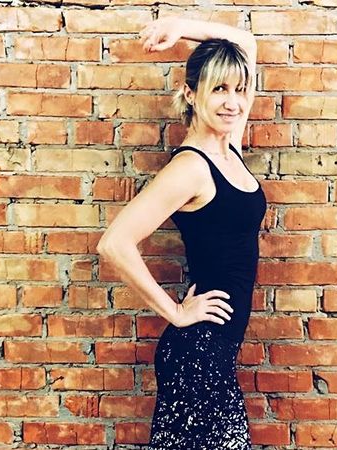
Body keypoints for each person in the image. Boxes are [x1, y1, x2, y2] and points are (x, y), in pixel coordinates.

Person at [96, 16, 265, 450]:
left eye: (240, 89)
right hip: (198, 355)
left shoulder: (229, 147)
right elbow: (114, 243)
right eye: (218, 89)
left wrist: (179, 25)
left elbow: (246, 42)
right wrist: (175, 312)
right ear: (191, 93)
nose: (232, 102)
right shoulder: (191, 167)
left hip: (216, 353)